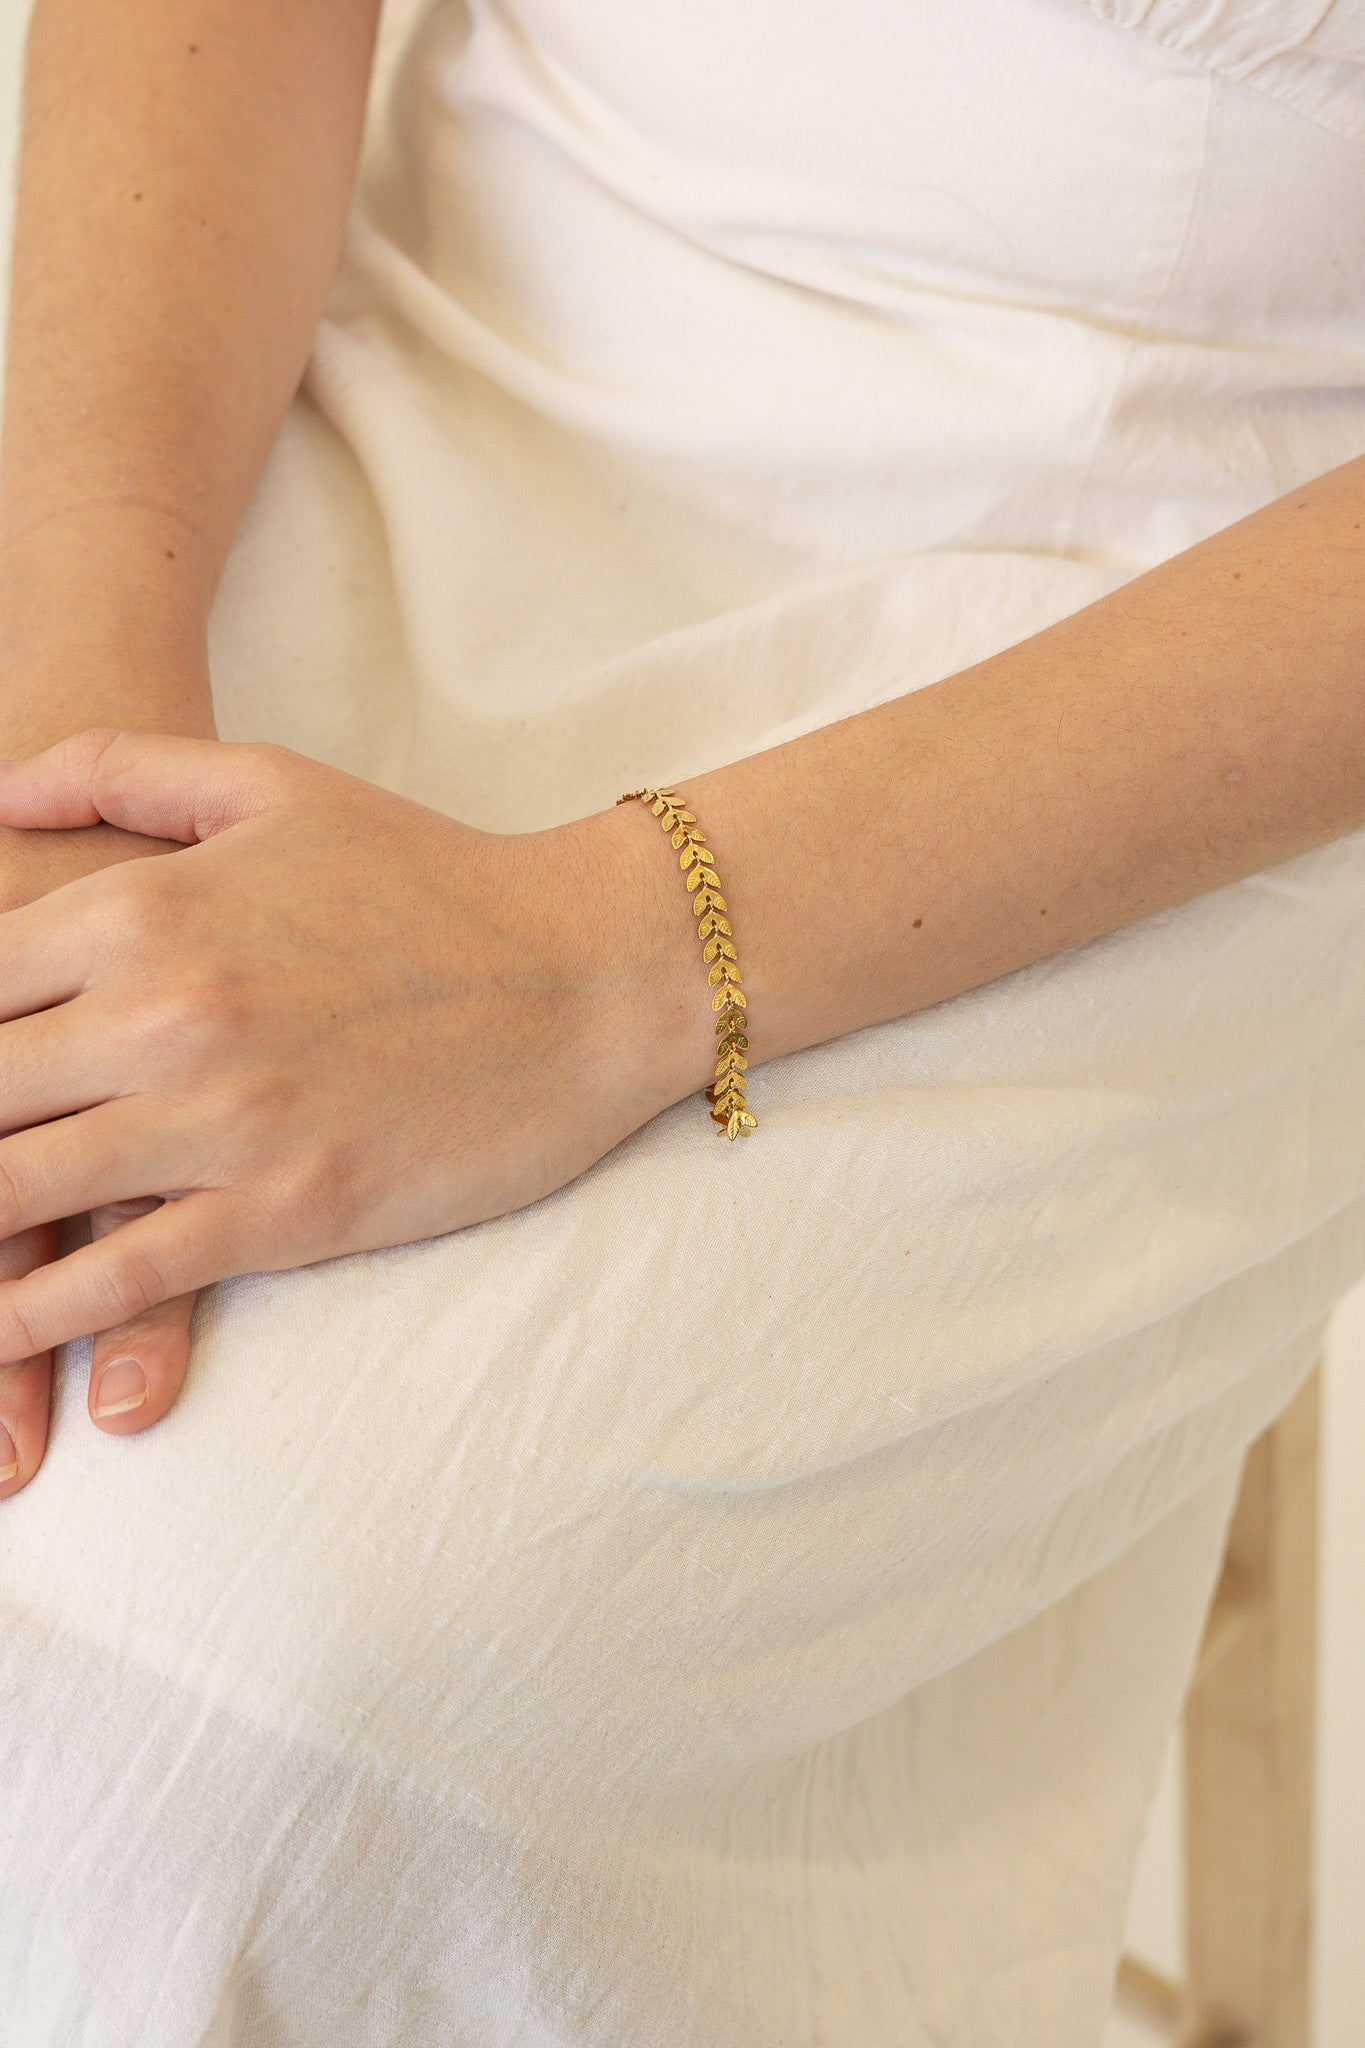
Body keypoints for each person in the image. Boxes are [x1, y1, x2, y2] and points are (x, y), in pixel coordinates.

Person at [0, 0, 1362, 2040]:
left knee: (261, 1692)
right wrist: (71, 760)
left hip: (1180, 640)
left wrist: (596, 961)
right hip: (337, 323)